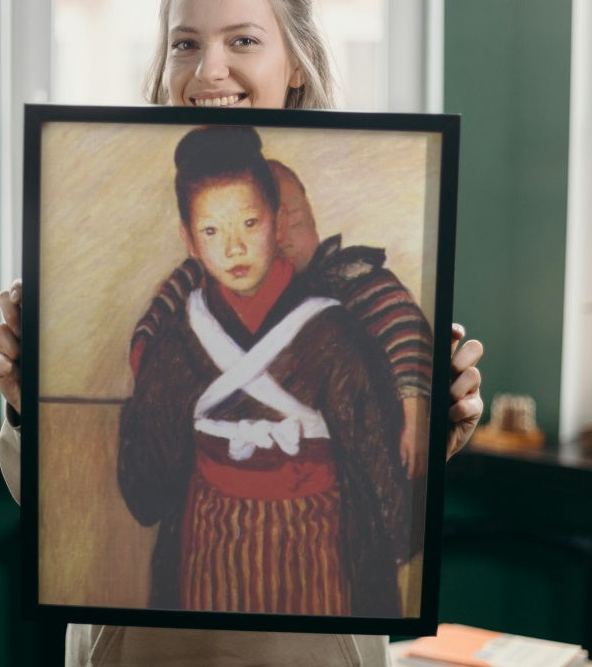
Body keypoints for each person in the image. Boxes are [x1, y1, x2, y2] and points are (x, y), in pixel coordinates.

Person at [0, 0, 484, 667]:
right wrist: (25, 401)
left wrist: (436, 413)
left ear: (295, 60)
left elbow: (396, 481)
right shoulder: (163, 319)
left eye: (242, 40)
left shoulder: (353, 306)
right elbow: (102, 492)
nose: (207, 66)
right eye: (184, 41)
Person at [119, 124, 411, 618]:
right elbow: (146, 490)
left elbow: (378, 473)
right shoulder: (180, 337)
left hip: (320, 554)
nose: (234, 247)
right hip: (208, 551)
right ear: (189, 240)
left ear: (277, 223)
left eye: (250, 224)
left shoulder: (332, 333)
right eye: (212, 231)